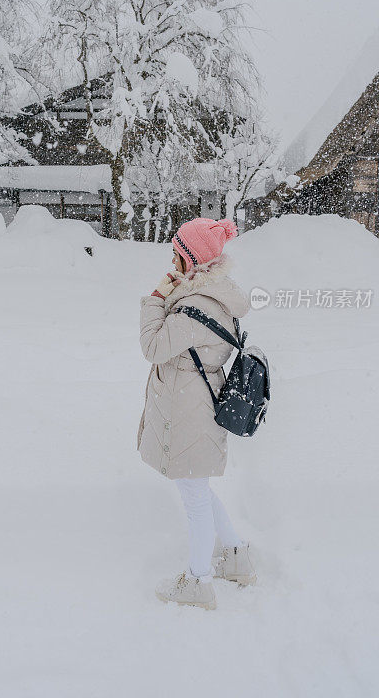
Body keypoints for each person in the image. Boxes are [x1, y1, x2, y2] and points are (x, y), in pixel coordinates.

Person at [138, 217, 256, 610]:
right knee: (198, 488)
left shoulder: (194, 309)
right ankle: (236, 557)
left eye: (176, 254)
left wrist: (156, 298)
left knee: (194, 500)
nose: (171, 261)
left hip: (190, 412)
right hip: (197, 404)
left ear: (192, 261)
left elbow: (153, 347)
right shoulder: (214, 297)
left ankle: (198, 581)